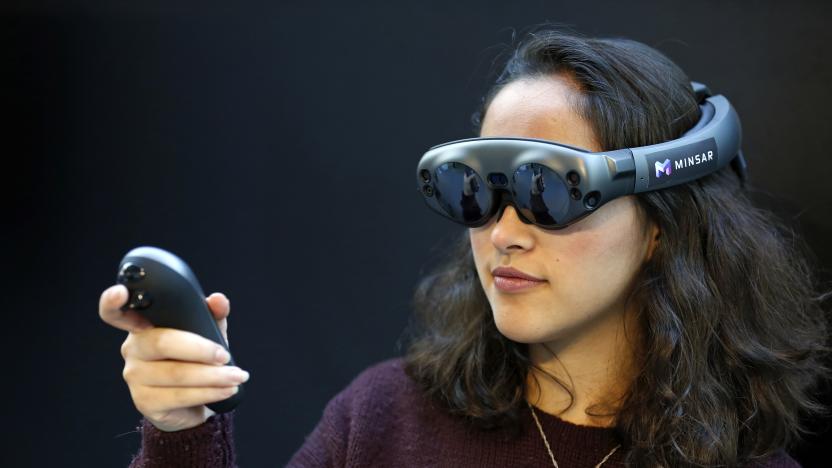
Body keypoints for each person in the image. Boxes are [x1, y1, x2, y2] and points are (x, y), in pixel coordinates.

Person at [99, 26, 831, 467]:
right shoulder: (382, 422)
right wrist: (180, 432)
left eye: (549, 194)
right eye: (476, 192)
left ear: (660, 227)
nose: (504, 234)